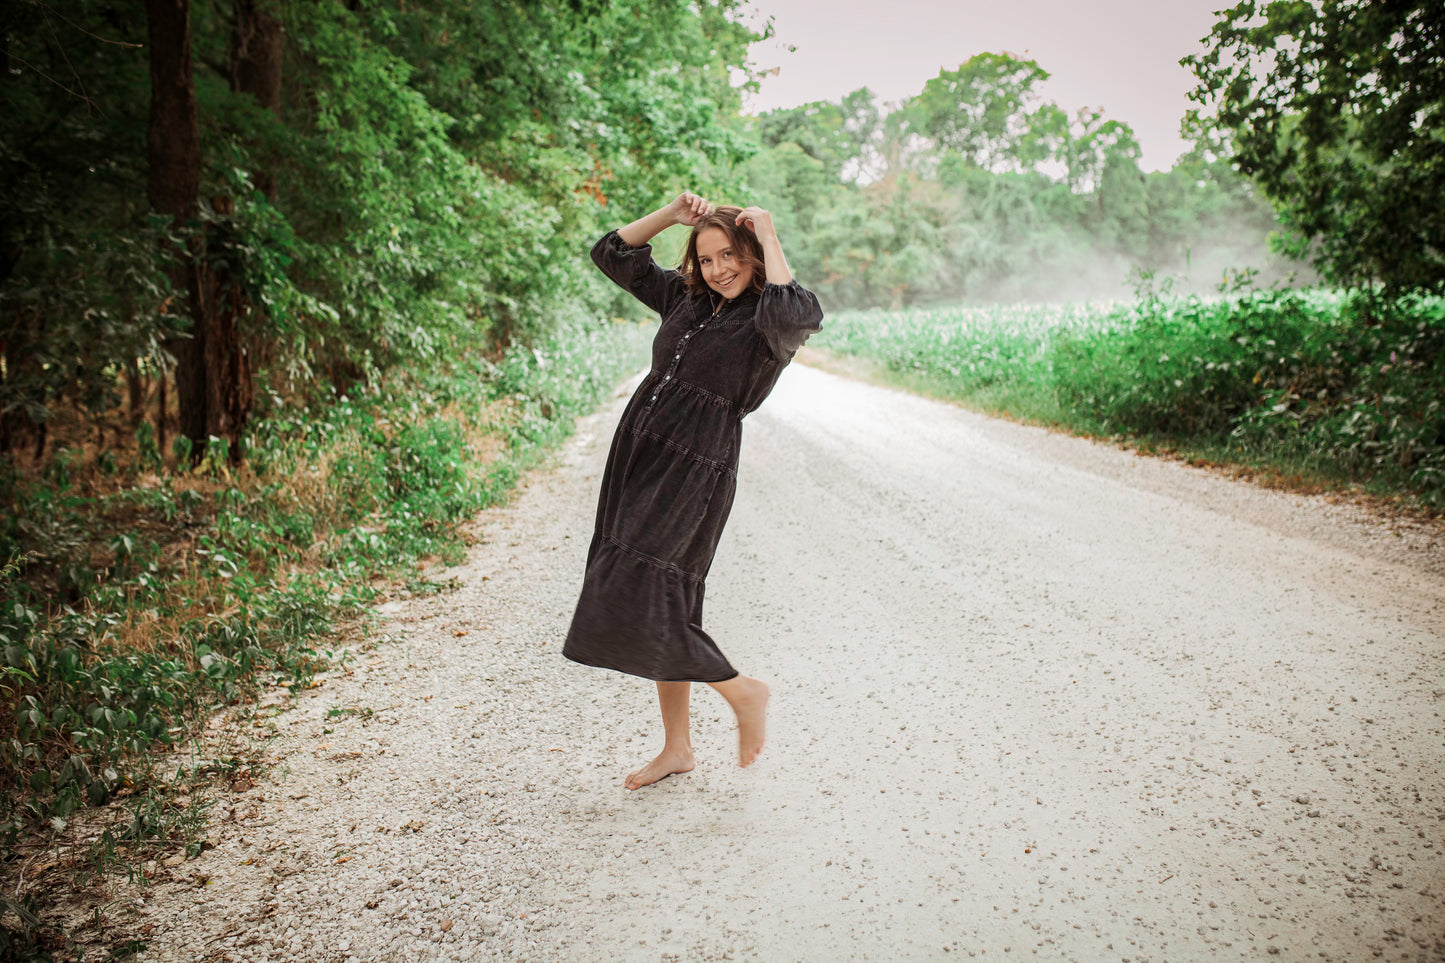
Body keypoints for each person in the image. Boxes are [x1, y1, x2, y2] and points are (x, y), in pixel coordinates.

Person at [563, 191, 824, 790]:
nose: (719, 270)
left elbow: (799, 314)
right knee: (667, 597)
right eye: (707, 260)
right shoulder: (686, 299)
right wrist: (670, 216)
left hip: (696, 467)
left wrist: (770, 232)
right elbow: (611, 254)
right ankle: (678, 747)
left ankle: (740, 691)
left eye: (730, 255)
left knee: (645, 586)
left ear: (754, 256)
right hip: (641, 454)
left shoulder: (768, 322)